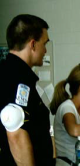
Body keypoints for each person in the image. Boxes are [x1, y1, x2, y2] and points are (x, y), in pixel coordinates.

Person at [0, 14, 54, 165]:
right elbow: (15, 133)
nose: (45, 50)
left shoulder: (9, 73)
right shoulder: (17, 79)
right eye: (44, 43)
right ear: (33, 45)